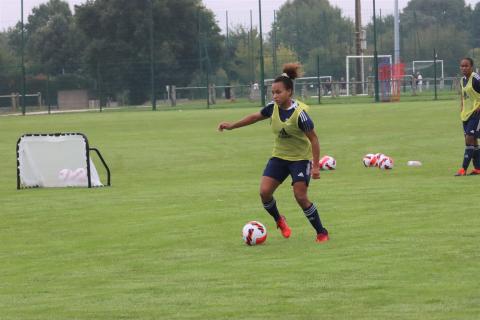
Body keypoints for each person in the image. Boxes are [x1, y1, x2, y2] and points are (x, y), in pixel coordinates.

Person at [218, 63, 329, 243]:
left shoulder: (300, 115)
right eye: (273, 92)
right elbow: (254, 117)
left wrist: (315, 166)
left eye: (279, 92)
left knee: (300, 196)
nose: (275, 96)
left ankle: (321, 232)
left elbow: (314, 139)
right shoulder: (272, 108)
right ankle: (279, 220)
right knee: (264, 192)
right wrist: (231, 126)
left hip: (299, 160)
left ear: (289, 92)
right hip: (279, 157)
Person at [455, 57, 480, 176]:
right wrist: (462, 106)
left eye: (466, 66)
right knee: (473, 140)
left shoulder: (476, 79)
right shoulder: (462, 80)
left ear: (471, 67)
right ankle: (478, 168)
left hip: (476, 113)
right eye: (462, 66)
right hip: (466, 114)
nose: (463, 68)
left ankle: (463, 169)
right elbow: (463, 95)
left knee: (469, 139)